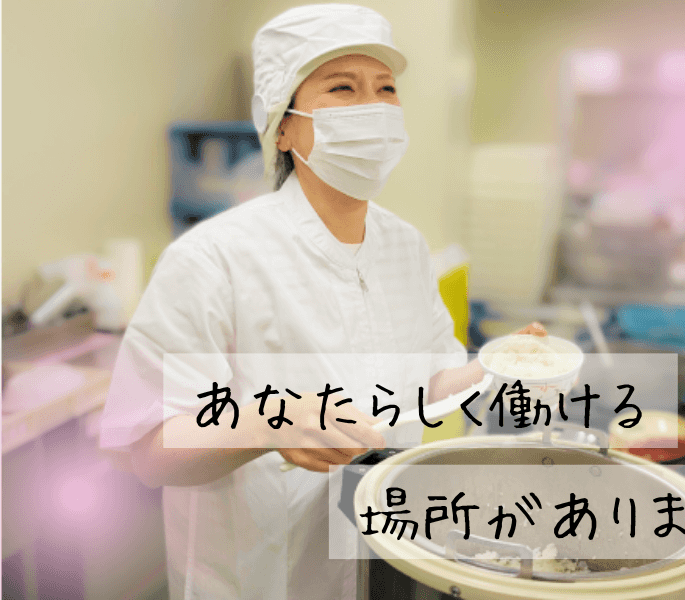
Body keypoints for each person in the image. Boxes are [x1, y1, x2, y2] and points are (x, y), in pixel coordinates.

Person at [99, 5, 546, 599]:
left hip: (385, 558)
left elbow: (425, 388)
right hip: (260, 578)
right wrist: (267, 425)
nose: (374, 107)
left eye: (386, 89)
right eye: (343, 88)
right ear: (283, 128)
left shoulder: (405, 247)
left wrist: (494, 369)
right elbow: (149, 449)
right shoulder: (213, 258)